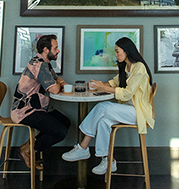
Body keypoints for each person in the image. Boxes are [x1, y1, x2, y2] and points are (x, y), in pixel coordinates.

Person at [62, 37, 154, 175]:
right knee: (103, 121)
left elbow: (127, 94)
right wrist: (98, 85)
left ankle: (83, 147)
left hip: (138, 112)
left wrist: (103, 87)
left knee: (102, 107)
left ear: (127, 51)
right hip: (127, 109)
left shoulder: (139, 67)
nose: (116, 55)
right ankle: (108, 160)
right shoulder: (126, 67)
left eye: (117, 52)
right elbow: (114, 83)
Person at [11, 34, 71, 170]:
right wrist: (59, 83)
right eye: (55, 48)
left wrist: (59, 82)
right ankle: (31, 148)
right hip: (25, 111)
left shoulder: (45, 64)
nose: (58, 51)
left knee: (65, 123)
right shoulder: (40, 65)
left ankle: (30, 146)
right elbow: (55, 89)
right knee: (60, 131)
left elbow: (58, 79)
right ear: (46, 49)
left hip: (37, 108)